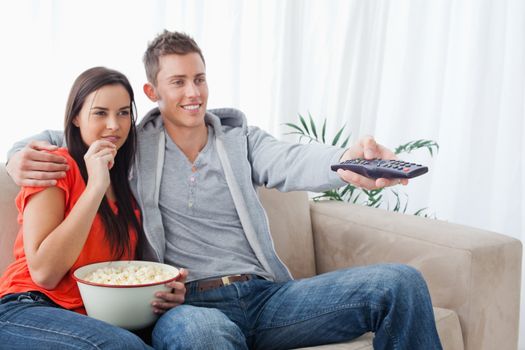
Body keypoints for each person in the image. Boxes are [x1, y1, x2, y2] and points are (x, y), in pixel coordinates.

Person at [6, 31, 442, 349]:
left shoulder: (240, 139)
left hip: (268, 297)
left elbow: (290, 160)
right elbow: (72, 131)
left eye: (200, 78)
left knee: (398, 282)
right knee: (202, 335)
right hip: (189, 306)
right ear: (153, 91)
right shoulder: (132, 144)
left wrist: (347, 164)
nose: (193, 93)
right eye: (178, 82)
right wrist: (16, 156)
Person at [0, 67, 159, 349]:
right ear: (75, 117)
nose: (114, 124)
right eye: (100, 113)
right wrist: (95, 188)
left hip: (88, 318)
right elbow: (45, 273)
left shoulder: (128, 191)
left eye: (123, 113)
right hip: (27, 305)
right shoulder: (55, 165)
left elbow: (119, 277)